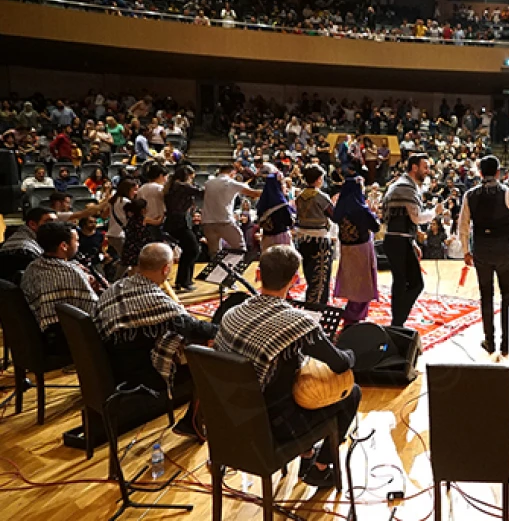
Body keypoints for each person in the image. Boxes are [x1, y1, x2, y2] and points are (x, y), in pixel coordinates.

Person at [213, 245, 360, 488]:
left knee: (283, 382)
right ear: (294, 279)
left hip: (228, 422)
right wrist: (353, 353)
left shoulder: (231, 314)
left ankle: (307, 454)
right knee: (351, 393)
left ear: (258, 274)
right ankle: (320, 468)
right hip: (272, 429)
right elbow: (339, 363)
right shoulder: (296, 323)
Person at [95, 243, 216, 438]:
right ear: (166, 269)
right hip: (138, 374)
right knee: (207, 358)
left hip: (110, 362)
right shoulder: (153, 299)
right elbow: (194, 327)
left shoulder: (117, 286)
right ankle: (193, 421)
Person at [459, 156, 509, 355]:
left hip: (481, 249)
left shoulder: (470, 195)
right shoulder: (506, 192)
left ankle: (490, 341)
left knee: (486, 296)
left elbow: (463, 225)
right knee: (508, 295)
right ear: (498, 173)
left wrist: (465, 251)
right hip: (504, 248)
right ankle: (506, 343)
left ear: (480, 173)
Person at [380, 154, 444, 327]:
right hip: (400, 241)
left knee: (400, 282)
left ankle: (397, 321)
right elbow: (417, 218)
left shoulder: (397, 185)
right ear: (414, 168)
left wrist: (413, 241)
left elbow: (395, 216)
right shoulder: (406, 188)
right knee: (415, 283)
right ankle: (397, 322)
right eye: (425, 167)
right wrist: (434, 212)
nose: (428, 171)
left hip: (396, 239)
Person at [21, 221, 100, 358]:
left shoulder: (33, 267)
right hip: (64, 340)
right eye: (76, 241)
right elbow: (94, 309)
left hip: (36, 335)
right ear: (64, 246)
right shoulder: (71, 272)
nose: (78, 245)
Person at [333, 177, 381, 327]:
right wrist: (373, 213)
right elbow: (376, 227)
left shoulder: (339, 209)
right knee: (363, 283)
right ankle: (354, 314)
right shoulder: (361, 209)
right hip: (361, 249)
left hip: (346, 248)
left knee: (351, 280)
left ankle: (352, 312)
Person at [294, 165, 336, 306]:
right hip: (320, 239)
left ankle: (311, 301)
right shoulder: (321, 197)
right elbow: (333, 215)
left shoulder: (300, 196)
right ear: (319, 179)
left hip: (303, 238)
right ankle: (316, 306)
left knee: (309, 271)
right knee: (320, 277)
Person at [202, 165, 261, 254]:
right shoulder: (231, 183)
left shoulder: (208, 183)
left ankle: (220, 268)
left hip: (207, 222)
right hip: (224, 221)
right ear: (233, 173)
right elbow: (254, 193)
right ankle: (233, 267)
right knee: (240, 248)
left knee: (215, 254)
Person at [163, 166, 205, 292]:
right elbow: (200, 192)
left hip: (175, 222)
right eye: (191, 177)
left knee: (189, 250)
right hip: (178, 222)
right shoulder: (181, 186)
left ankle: (183, 280)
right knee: (193, 249)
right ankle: (184, 280)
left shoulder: (172, 186)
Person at [0, 207, 57, 278]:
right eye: (49, 222)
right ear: (32, 224)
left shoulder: (21, 236)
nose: (55, 226)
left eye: (56, 222)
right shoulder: (24, 250)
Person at [256, 173, 296, 251]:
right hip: (282, 239)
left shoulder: (262, 202)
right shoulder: (281, 203)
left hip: (267, 239)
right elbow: (289, 222)